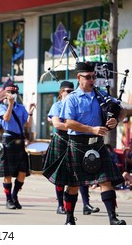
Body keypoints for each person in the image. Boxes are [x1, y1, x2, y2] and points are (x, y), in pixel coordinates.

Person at [54, 62, 127, 225]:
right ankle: (70, 218)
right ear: (79, 78)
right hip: (77, 144)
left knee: (105, 180)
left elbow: (122, 109)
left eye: (94, 77)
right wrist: (92, 129)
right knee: (73, 185)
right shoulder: (71, 99)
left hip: (97, 145)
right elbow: (69, 123)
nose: (92, 80)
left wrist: (117, 121)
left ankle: (113, 218)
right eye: (88, 77)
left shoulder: (101, 96)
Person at [43, 81, 100, 216]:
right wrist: (75, 125)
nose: (70, 93)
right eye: (68, 91)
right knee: (61, 175)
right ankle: (60, 205)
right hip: (62, 140)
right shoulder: (57, 105)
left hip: (76, 140)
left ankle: (86, 204)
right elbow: (57, 124)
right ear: (61, 92)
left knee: (83, 171)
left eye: (72, 91)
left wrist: (79, 126)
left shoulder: (76, 103)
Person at [0, 83, 36, 209]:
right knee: (7, 173)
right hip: (8, 140)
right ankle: (8, 200)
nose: (13, 95)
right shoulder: (1, 106)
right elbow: (6, 119)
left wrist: (31, 113)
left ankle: (14, 195)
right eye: (10, 93)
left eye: (15, 93)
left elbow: (27, 125)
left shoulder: (21, 107)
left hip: (19, 140)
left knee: (22, 171)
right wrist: (10, 104)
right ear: (5, 94)